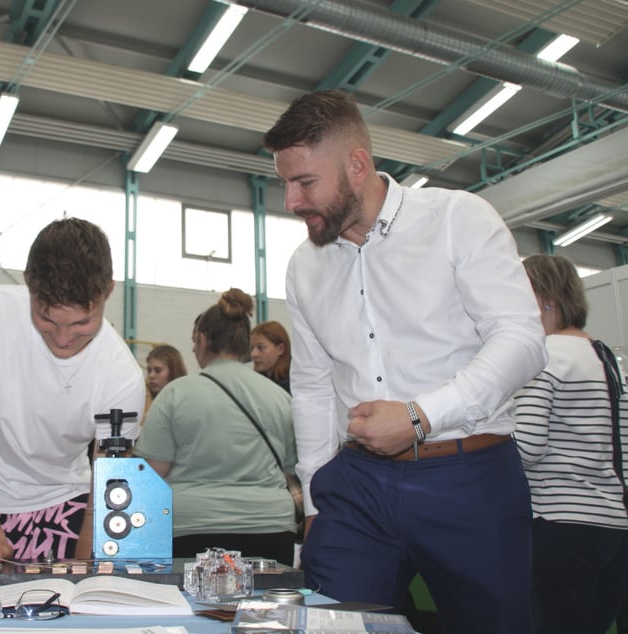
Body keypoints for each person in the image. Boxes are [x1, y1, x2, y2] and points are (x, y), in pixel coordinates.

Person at [263, 89, 547, 633]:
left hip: (470, 477)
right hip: (355, 486)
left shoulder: (456, 219)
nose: (291, 202)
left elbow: (521, 338)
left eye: (305, 183)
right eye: (285, 183)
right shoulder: (304, 267)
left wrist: (421, 415)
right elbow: (314, 384)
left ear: (357, 164)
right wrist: (316, 493)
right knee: (330, 626)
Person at [0, 218, 146, 606]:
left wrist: (84, 584)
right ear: (29, 285)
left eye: (82, 322)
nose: (63, 339)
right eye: (46, 318)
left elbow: (105, 490)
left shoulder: (123, 379)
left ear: (108, 292)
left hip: (62, 502)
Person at [133, 288, 297, 564]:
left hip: (192, 529)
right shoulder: (280, 398)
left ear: (203, 339)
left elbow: (152, 472)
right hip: (270, 529)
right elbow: (292, 466)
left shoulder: (175, 394)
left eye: (194, 342)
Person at [514, 254, 628, 634]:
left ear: (545, 299)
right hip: (612, 527)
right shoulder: (608, 358)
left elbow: (525, 446)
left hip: (560, 528)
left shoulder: (545, 356)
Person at [250, 320, 292, 394]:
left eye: (261, 347)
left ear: (280, 349)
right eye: (252, 348)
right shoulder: (257, 381)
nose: (254, 354)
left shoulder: (293, 384)